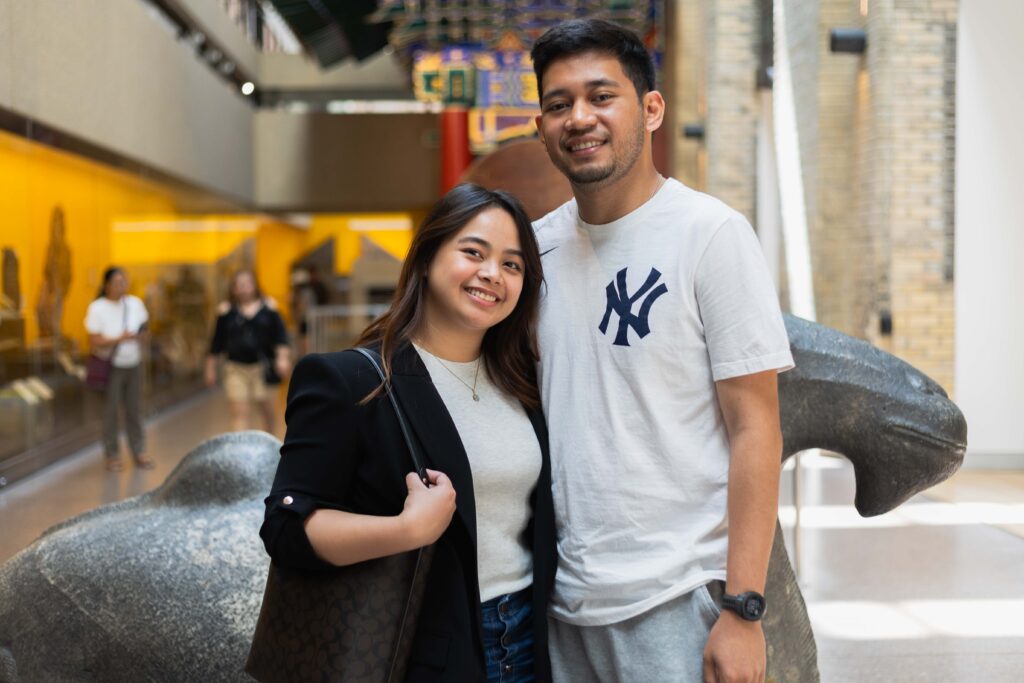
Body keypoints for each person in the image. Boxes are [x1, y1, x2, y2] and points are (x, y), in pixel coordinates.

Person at [530, 19, 794, 683]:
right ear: (541, 127)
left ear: (651, 109)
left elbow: (756, 427)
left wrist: (743, 608)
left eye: (601, 96)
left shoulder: (711, 235)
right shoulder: (532, 252)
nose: (579, 118)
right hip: (560, 605)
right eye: (559, 104)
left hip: (679, 600)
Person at [260, 183, 556, 682]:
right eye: (473, 252)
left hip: (530, 638)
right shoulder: (350, 381)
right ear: (425, 258)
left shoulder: (523, 380)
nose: (492, 273)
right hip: (421, 651)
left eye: (512, 264)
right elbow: (285, 528)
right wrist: (405, 531)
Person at [205, 269, 291, 434]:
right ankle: (241, 447)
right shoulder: (226, 312)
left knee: (267, 411)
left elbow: (281, 337)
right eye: (239, 285)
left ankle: (270, 443)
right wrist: (210, 368)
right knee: (239, 414)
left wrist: (282, 358)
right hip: (235, 368)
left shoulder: (269, 309)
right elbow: (216, 343)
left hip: (263, 367)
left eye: (247, 284)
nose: (244, 288)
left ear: (255, 285)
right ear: (233, 289)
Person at [85, 266, 153, 472]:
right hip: (111, 366)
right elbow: (94, 340)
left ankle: (139, 451)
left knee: (135, 410)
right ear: (107, 285)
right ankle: (112, 454)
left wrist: (140, 336)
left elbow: (145, 331)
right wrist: (119, 338)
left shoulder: (135, 304)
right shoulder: (97, 308)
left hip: (134, 363)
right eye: (117, 282)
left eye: (124, 281)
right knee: (110, 412)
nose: (122, 286)